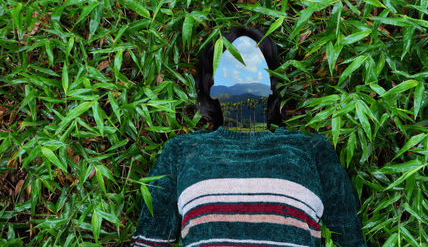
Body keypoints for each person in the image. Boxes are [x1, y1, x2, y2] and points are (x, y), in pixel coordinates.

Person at [131, 27, 368, 247]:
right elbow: (149, 240)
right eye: (232, 67)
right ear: (213, 86)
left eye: (253, 67)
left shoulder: (312, 150)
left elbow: (349, 238)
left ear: (270, 84)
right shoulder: (182, 151)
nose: (242, 76)